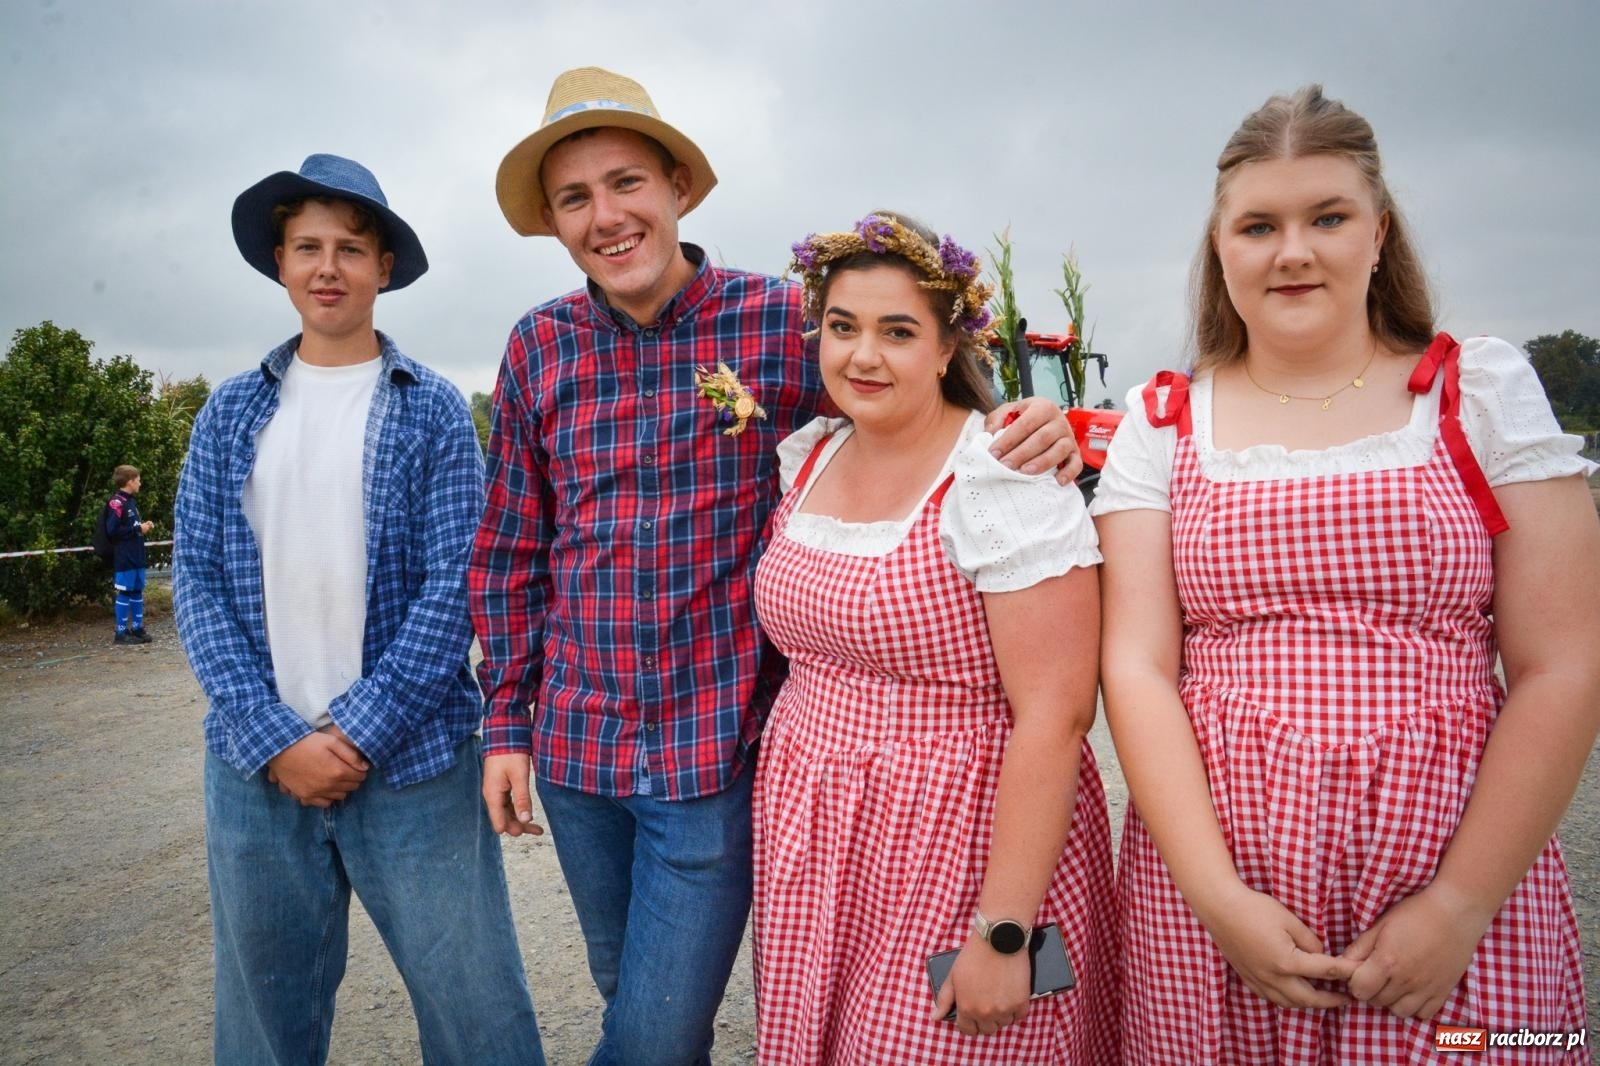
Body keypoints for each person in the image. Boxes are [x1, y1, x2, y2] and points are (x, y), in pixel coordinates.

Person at [470, 67, 1078, 1066]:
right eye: (576, 197)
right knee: (633, 996)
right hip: (578, 753)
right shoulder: (538, 347)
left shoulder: (779, 324)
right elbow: (510, 551)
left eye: (626, 182)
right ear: (552, 219)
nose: (607, 215)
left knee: (655, 1034)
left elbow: (908, 391)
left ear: (677, 188)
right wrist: (506, 720)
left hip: (711, 753)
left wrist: (1025, 417)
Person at [1094, 85, 1599, 1063]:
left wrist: (1459, 903)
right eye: (1257, 225)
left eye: (1326, 216)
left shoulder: (1475, 392)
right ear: (1219, 247)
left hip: (1452, 871)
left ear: (1378, 234)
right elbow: (1138, 669)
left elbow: (1563, 663)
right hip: (1218, 882)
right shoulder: (1159, 424)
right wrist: (1217, 898)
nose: (1292, 249)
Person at [173, 154, 545, 1065]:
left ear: (384, 267)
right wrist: (274, 736)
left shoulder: (433, 415)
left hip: (415, 764)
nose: (327, 266)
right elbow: (196, 580)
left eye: (350, 247)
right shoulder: (229, 414)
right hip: (258, 773)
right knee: (264, 1027)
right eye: (308, 246)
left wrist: (361, 729)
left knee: (477, 1015)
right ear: (280, 261)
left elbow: (455, 580)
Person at [749, 212, 1120, 1064]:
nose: (862, 356)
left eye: (898, 331)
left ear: (950, 347)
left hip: (958, 834)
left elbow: (1057, 716)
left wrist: (1003, 935)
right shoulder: (809, 457)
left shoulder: (1002, 475)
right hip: (819, 834)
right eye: (842, 328)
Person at [105, 464, 154, 645]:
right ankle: (121, 632)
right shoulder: (116, 502)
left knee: (137, 590)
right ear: (130, 482)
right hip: (125, 556)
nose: (140, 483)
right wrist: (137, 529)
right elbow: (112, 530)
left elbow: (132, 527)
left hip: (137, 554)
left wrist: (143, 527)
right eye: (138, 480)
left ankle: (138, 628)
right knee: (125, 592)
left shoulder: (130, 501)